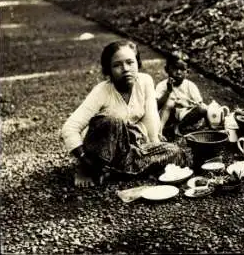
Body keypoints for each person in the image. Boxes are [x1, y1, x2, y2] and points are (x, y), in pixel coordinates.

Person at [61, 41, 190, 188]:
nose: (126, 69)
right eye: (117, 65)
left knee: (175, 152)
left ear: (138, 63)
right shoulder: (101, 91)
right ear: (108, 71)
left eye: (130, 62)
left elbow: (151, 115)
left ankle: (115, 172)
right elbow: (69, 128)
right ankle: (93, 170)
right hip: (100, 151)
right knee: (113, 122)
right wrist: (84, 162)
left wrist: (154, 146)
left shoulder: (145, 81)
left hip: (128, 149)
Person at [156, 51, 208, 139]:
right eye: (174, 68)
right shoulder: (162, 85)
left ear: (187, 72)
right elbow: (156, 106)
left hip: (185, 115)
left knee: (203, 108)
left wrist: (184, 103)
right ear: (166, 69)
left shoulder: (190, 85)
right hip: (168, 116)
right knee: (170, 101)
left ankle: (178, 127)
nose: (178, 72)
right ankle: (160, 130)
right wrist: (168, 92)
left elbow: (199, 104)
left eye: (182, 69)